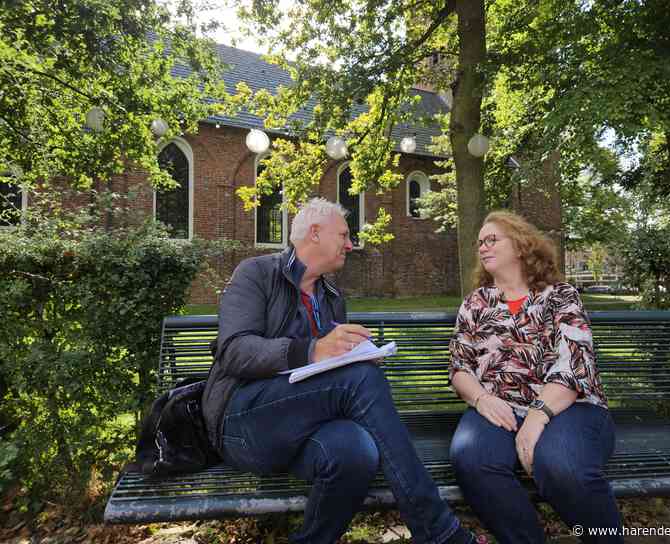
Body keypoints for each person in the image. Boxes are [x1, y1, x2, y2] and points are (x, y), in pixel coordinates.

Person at [202, 198, 483, 544]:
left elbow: (329, 376)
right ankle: (438, 531)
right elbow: (233, 351)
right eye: (344, 235)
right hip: (243, 424)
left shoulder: (331, 295)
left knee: (357, 452)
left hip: (303, 427)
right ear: (315, 234)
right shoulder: (257, 273)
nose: (350, 244)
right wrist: (312, 350)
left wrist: (354, 354)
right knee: (361, 381)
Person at [448, 210, 623, 544]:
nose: (482, 247)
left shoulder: (561, 295)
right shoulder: (474, 304)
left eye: (492, 239)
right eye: (479, 242)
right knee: (472, 459)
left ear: (520, 246)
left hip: (570, 406)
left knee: (561, 465)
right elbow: (459, 367)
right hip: (500, 406)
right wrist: (482, 399)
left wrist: (537, 417)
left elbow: (574, 362)